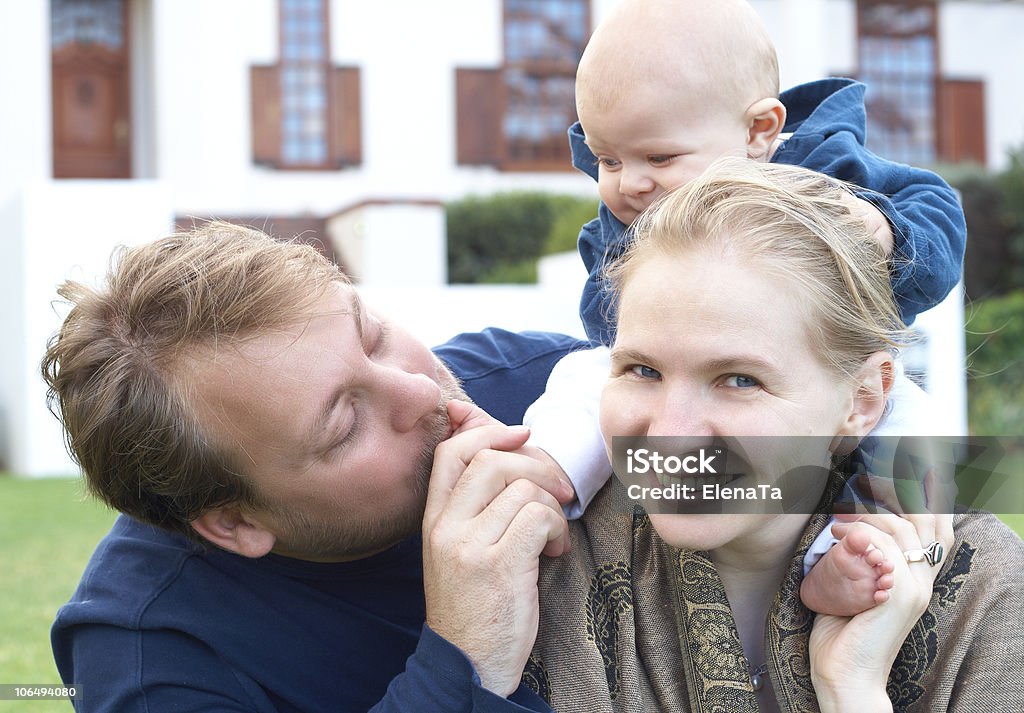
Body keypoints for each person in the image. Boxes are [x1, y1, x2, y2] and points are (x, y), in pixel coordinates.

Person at [521, 159, 1024, 712]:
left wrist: (851, 689)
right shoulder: (538, 574)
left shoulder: (987, 597)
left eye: (740, 380)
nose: (671, 434)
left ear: (863, 400)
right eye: (643, 370)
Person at [524, 0, 966, 618]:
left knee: (916, 431)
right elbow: (609, 326)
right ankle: (546, 478)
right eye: (607, 160)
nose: (628, 184)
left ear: (759, 131)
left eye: (658, 158)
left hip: (835, 372)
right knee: (579, 376)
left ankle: (865, 550)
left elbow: (937, 209)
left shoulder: (822, 170)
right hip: (660, 363)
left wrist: (888, 231)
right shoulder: (633, 214)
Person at [43, 221, 584, 712]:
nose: (420, 389)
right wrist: (465, 664)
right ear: (237, 523)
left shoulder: (545, 387)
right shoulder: (150, 662)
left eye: (374, 338)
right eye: (345, 425)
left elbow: (672, 469)